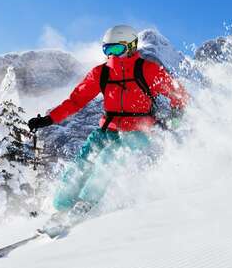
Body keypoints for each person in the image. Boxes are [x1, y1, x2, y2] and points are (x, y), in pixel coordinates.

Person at [28, 25, 189, 227]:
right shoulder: (101, 73)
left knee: (107, 159)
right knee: (83, 161)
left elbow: (179, 94)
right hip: (108, 129)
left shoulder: (148, 70)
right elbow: (76, 101)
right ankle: (62, 204)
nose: (112, 55)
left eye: (117, 50)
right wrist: (48, 119)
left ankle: (86, 203)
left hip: (139, 131)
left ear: (131, 47)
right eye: (107, 50)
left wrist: (174, 117)